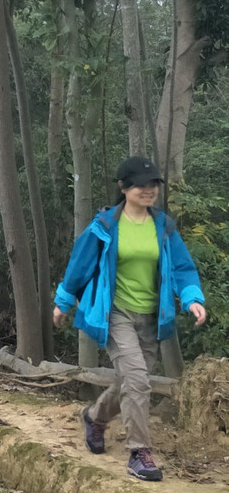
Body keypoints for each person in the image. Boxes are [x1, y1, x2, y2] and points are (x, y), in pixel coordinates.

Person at [53, 156, 206, 482]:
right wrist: (63, 302)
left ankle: (95, 418)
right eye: (140, 184)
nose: (148, 190)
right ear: (124, 187)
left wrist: (192, 299)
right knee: (137, 379)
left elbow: (181, 267)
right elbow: (79, 265)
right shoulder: (106, 226)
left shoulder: (163, 226)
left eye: (153, 184)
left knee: (130, 380)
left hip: (152, 317)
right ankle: (139, 452)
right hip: (116, 314)